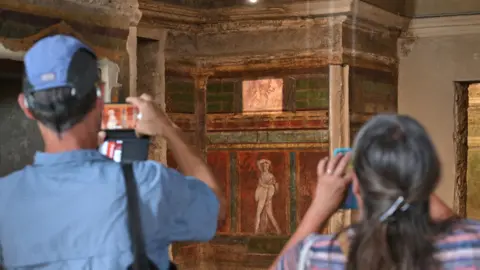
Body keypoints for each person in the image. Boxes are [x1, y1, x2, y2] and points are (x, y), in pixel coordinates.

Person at [0, 35, 225, 269]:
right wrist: (168, 128)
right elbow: (214, 209)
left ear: (26, 106)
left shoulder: (5, 199)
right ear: (99, 96)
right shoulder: (146, 185)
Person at [271, 114, 479, 270]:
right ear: (433, 179)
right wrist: (411, 181)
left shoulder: (316, 255)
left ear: (357, 187)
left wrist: (320, 207)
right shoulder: (470, 246)